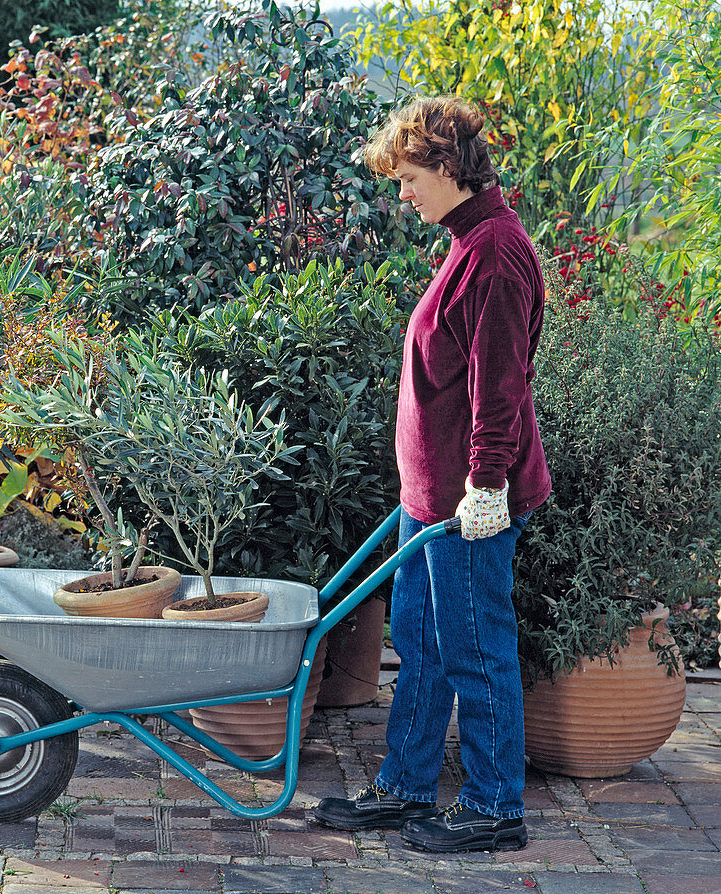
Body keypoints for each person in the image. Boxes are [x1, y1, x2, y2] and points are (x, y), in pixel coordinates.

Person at [313, 95, 551, 854]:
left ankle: (493, 807)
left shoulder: (495, 257)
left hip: (468, 503)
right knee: (419, 640)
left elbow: (499, 387)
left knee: (474, 648)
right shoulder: (466, 241)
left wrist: (486, 486)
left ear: (448, 167)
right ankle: (407, 784)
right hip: (432, 499)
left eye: (409, 176)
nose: (402, 191)